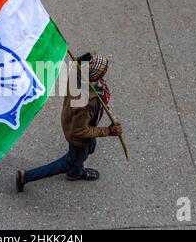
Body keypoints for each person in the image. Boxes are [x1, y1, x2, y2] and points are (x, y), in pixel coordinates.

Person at [16, 53, 123, 192]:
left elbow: (78, 66)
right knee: (71, 160)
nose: (105, 72)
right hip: (77, 137)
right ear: (94, 75)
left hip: (69, 120)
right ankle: (26, 176)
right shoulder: (87, 102)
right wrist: (108, 131)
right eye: (103, 71)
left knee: (88, 149)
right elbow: (79, 131)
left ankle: (75, 172)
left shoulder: (77, 72)